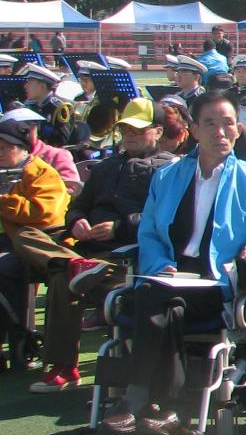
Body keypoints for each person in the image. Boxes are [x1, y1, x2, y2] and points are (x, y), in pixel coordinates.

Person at [99, 92, 246, 435]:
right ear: (194, 130)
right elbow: (151, 233)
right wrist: (159, 265)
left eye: (228, 123)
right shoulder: (168, 176)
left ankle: (139, 397)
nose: (220, 131)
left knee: (157, 304)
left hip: (217, 281)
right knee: (162, 301)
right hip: (169, 275)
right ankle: (169, 407)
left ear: (237, 129)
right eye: (210, 124)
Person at [26, 99, 178, 393]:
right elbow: (77, 206)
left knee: (62, 279)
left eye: (138, 129)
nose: (130, 134)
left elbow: (166, 219)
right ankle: (64, 365)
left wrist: (119, 227)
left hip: (128, 256)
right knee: (31, 237)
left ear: (157, 131)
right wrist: (77, 222)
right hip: (85, 250)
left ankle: (65, 366)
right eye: (125, 129)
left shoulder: (170, 170)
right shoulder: (105, 166)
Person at [0, 117, 71, 360]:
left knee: (4, 268)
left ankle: (21, 337)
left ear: (22, 149)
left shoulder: (40, 172)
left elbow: (45, 214)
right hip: (8, 241)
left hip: (36, 243)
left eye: (4, 147)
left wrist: (4, 201)